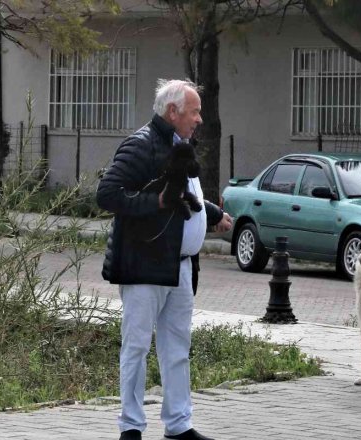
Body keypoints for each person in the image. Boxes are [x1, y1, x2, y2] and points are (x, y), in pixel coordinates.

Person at [96, 79, 232, 440]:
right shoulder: (141, 145)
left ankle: (178, 425)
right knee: (136, 348)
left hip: (180, 266)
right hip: (144, 265)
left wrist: (213, 213)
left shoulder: (180, 144)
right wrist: (154, 204)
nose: (200, 119)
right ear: (172, 112)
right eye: (194, 111)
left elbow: (181, 193)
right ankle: (131, 427)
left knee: (177, 350)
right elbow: (107, 194)